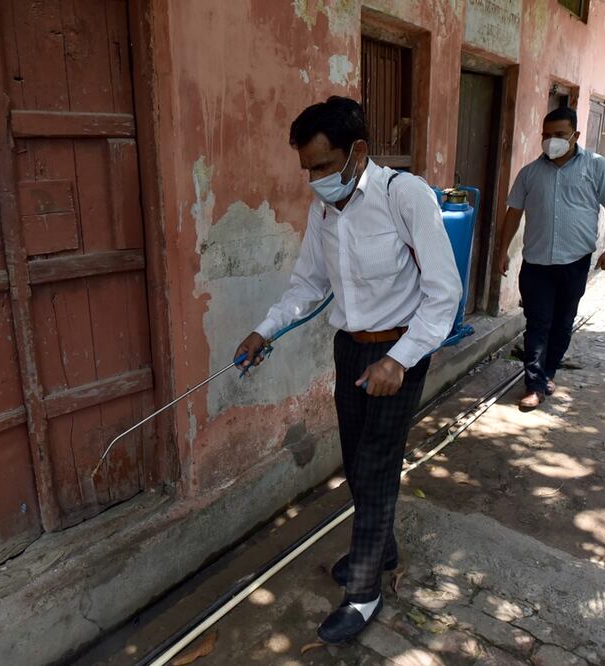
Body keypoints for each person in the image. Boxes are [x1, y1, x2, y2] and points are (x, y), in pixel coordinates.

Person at [234, 96, 461, 644]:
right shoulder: (325, 209)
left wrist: (400, 359)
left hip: (399, 351)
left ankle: (364, 592)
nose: (313, 180)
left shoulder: (404, 196)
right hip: (351, 351)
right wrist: (265, 328)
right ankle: (379, 548)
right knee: (358, 464)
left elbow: (443, 293)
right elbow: (308, 284)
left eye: (322, 165)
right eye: (307, 169)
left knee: (378, 467)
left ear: (358, 151)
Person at [498, 106, 605, 411]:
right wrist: (501, 251)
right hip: (536, 263)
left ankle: (548, 371)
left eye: (559, 135)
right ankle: (534, 384)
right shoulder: (529, 173)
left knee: (563, 322)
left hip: (575, 261)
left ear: (575, 135)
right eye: (546, 135)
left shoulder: (597, 167)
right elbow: (513, 213)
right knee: (538, 322)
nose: (551, 141)